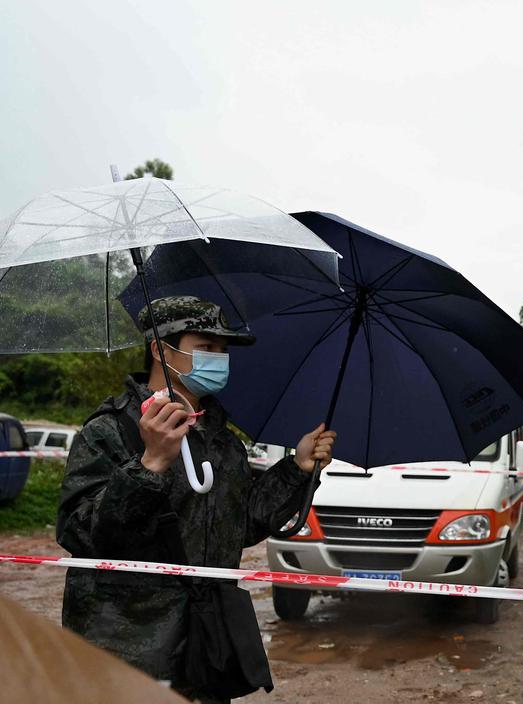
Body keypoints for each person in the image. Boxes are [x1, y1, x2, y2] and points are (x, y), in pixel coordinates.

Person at [56, 296, 337, 703]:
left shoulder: (223, 442)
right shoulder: (111, 430)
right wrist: (148, 464)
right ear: (160, 349)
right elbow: (79, 533)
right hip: (127, 651)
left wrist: (298, 468)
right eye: (205, 348)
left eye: (223, 351)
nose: (218, 359)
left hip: (205, 648)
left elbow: (236, 529)